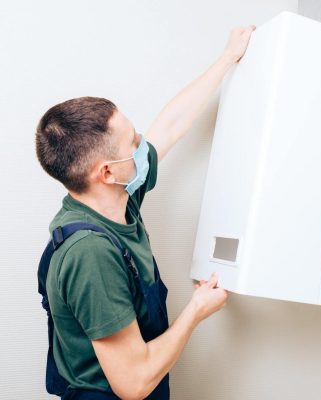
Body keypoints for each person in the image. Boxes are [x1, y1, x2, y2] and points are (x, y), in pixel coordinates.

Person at [35, 25, 256, 400]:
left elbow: (169, 127)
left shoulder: (115, 199)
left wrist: (226, 60)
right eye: (133, 141)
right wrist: (196, 311)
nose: (142, 145)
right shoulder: (91, 255)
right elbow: (133, 383)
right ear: (106, 172)